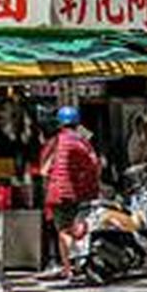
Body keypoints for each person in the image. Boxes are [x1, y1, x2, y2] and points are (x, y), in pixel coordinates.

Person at [39, 105, 101, 278]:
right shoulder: (83, 141)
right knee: (79, 229)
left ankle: (69, 268)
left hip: (58, 194)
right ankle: (80, 264)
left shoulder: (54, 142)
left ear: (59, 123)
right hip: (80, 193)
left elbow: (43, 170)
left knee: (64, 230)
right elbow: (95, 165)